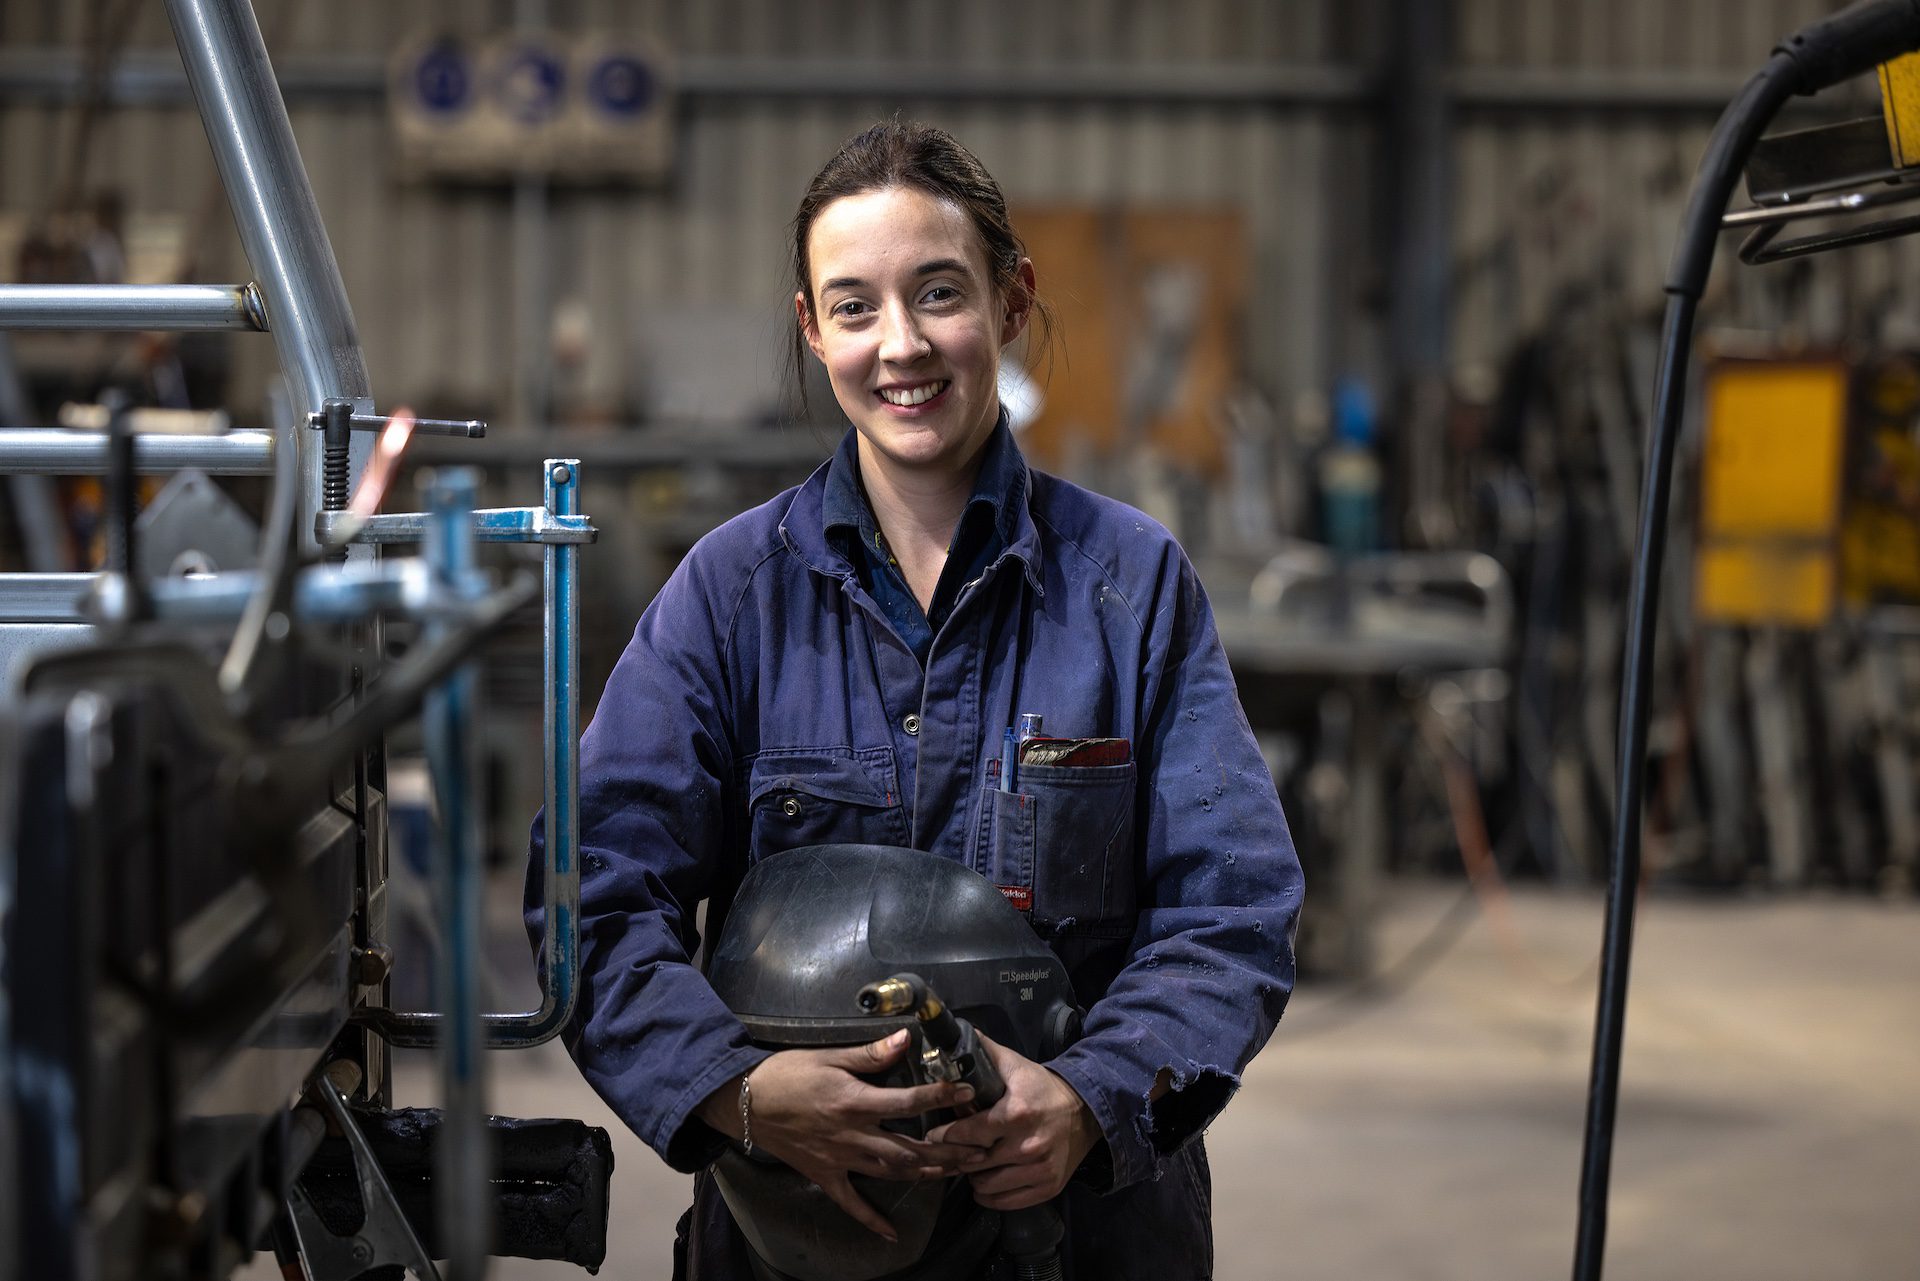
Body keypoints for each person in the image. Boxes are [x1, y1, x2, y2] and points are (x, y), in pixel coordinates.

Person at [528, 120, 1304, 1279]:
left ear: (1010, 300)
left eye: (938, 293)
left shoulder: (1128, 589)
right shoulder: (731, 597)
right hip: (795, 1238)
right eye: (853, 307)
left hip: (1079, 1240)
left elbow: (1231, 907)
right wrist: (736, 1091)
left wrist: (1090, 1100)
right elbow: (592, 894)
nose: (901, 346)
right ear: (811, 327)